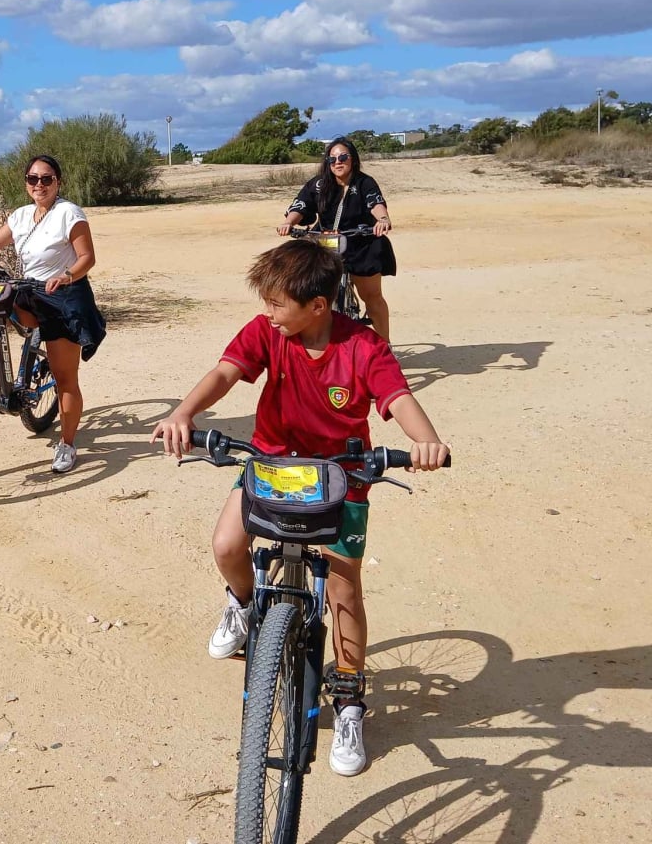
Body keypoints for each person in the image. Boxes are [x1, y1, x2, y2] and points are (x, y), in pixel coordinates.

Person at [150, 238, 449, 777]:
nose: (269, 313)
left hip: (341, 475)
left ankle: (351, 699)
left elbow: (398, 398)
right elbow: (225, 373)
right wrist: (183, 413)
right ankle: (243, 603)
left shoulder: (363, 346)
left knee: (342, 586)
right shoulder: (269, 332)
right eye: (266, 302)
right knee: (227, 545)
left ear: (318, 306)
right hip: (273, 465)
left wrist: (425, 440)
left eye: (278, 303)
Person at [0, 154, 105, 473]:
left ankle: (67, 445)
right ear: (26, 183)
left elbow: (87, 257)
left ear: (58, 182)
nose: (39, 184)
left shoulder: (69, 213)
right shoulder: (22, 215)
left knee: (65, 379)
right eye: (33, 179)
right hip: (30, 291)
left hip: (64, 298)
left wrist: (67, 275)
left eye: (46, 179)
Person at [277, 137, 395, 343]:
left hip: (360, 241)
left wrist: (383, 219)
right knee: (308, 287)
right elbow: (301, 205)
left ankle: (385, 345)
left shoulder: (364, 182)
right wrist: (288, 222)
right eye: (332, 159)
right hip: (326, 242)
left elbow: (375, 203)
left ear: (353, 159)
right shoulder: (318, 184)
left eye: (343, 157)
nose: (338, 162)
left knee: (372, 296)